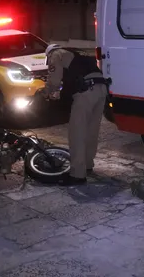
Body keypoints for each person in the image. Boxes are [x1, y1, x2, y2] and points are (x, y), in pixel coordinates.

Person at [40, 44, 109, 186]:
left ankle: (77, 174)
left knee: (77, 133)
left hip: (85, 92)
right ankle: (88, 165)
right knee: (91, 130)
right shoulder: (76, 53)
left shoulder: (55, 54)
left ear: (48, 53)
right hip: (101, 89)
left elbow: (54, 80)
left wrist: (43, 93)